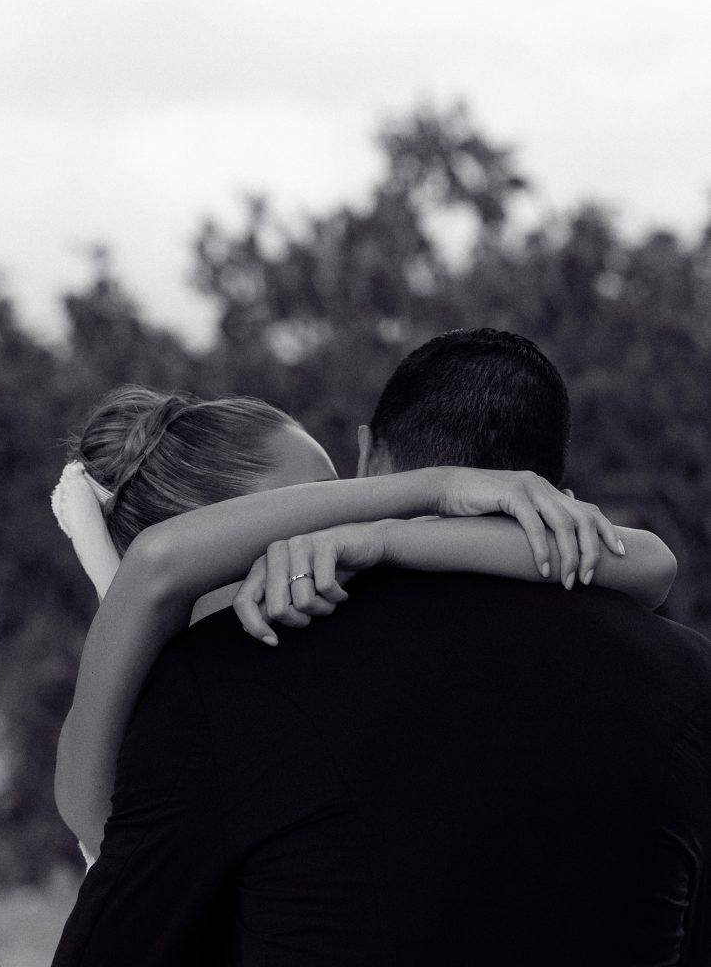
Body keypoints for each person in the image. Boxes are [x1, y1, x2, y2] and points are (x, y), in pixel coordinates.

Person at [50, 330, 706, 964]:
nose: (336, 529)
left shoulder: (309, 631)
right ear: (215, 540)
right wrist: (434, 488)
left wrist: (394, 534)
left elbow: (647, 562)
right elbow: (157, 562)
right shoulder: (138, 721)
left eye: (346, 499)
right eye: (322, 508)